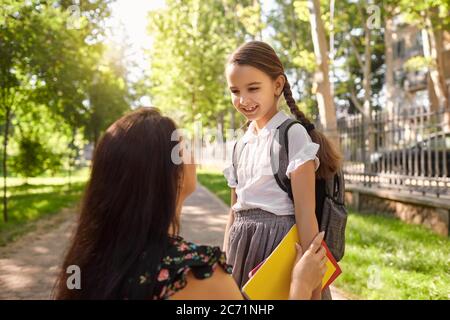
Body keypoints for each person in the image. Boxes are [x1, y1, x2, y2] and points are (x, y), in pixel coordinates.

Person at [53, 107, 327, 300]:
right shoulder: (195, 274)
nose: (191, 154)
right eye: (182, 148)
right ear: (170, 176)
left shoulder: (88, 264)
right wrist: (300, 286)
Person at [223, 41, 342, 299]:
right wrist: (224, 263)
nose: (243, 100)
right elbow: (234, 212)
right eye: (235, 91)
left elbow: (305, 214)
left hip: (277, 246)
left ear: (277, 85)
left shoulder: (292, 136)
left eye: (253, 88)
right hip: (240, 246)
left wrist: (314, 285)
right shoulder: (239, 144)